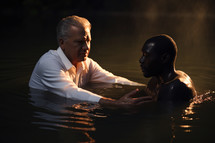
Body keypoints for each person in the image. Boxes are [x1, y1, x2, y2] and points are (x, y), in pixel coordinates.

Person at [29, 15, 152, 110]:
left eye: (88, 41)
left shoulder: (87, 63)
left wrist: (147, 88)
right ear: (62, 43)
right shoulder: (48, 63)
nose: (86, 47)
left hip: (70, 109)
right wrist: (115, 103)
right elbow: (70, 92)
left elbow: (114, 80)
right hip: (51, 116)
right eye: (80, 42)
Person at [139, 34, 197, 103]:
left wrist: (125, 108)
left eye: (146, 55)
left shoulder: (174, 88)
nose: (141, 60)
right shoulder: (155, 80)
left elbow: (165, 113)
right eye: (142, 55)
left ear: (164, 58)